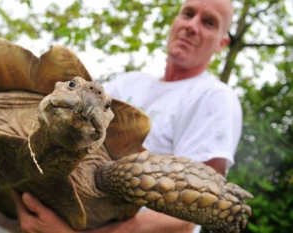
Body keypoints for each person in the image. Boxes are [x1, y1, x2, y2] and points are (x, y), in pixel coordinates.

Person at [14, 0, 241, 232]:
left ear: (222, 43)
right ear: (175, 21)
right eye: (188, 14)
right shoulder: (130, 82)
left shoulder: (214, 97)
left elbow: (192, 209)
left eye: (209, 22)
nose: (192, 25)